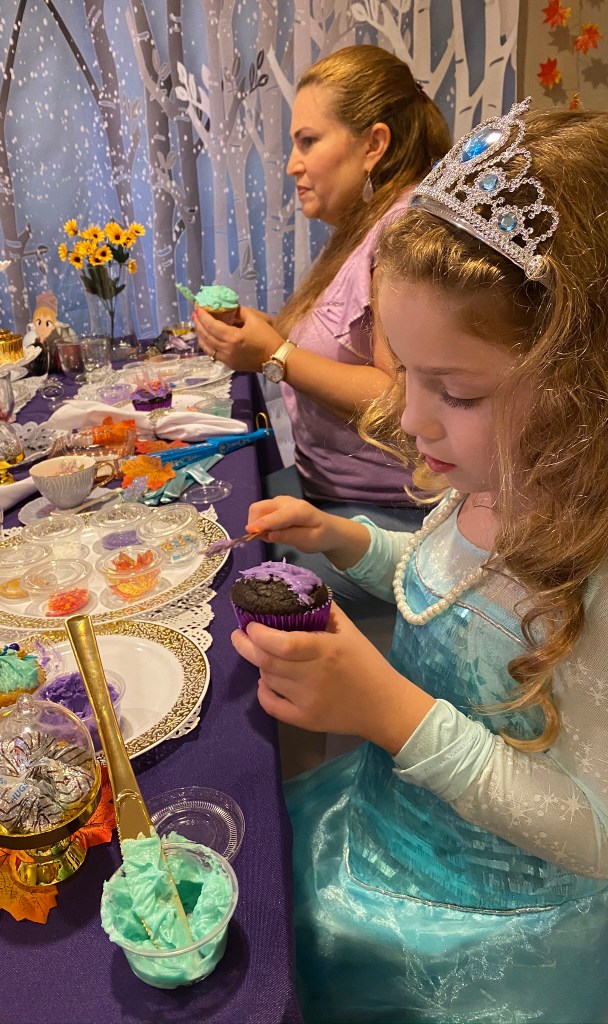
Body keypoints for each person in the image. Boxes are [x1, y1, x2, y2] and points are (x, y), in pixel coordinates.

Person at [233, 103, 608, 1022]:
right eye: (407, 376)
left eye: (457, 390)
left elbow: (596, 831)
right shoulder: (489, 473)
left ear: (584, 380)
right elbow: (457, 582)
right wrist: (352, 541)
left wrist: (392, 715)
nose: (409, 420)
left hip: (477, 925)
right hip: (378, 835)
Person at [194, 45, 451, 619]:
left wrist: (275, 353)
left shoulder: (403, 233)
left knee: (212, 580)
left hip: (384, 519)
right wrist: (257, 336)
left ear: (373, 145)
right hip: (330, 491)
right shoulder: (364, 230)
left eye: (307, 141)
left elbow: (398, 400)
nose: (291, 163)